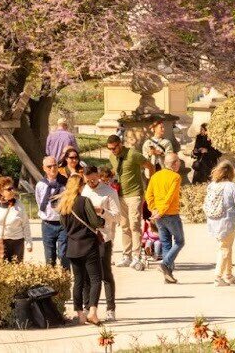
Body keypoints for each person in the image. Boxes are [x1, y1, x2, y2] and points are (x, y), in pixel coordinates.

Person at [57, 175, 105, 325]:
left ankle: (80, 314)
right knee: (96, 279)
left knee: (78, 281)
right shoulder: (84, 201)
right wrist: (102, 217)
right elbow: (95, 222)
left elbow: (64, 226)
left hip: (72, 246)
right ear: (79, 186)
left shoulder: (63, 204)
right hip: (88, 245)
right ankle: (92, 312)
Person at [82, 165, 121, 321]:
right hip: (86, 237)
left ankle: (111, 308)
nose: (91, 183)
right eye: (88, 180)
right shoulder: (83, 190)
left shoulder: (109, 192)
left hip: (103, 237)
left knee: (105, 273)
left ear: (98, 176)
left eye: (93, 179)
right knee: (87, 274)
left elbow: (117, 216)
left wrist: (102, 212)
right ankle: (88, 307)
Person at [104, 134, 148, 270]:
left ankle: (136, 256)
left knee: (134, 225)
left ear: (120, 144)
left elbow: (149, 165)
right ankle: (126, 256)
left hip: (135, 194)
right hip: (120, 195)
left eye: (114, 148)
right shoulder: (112, 157)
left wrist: (149, 184)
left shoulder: (133, 154)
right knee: (124, 225)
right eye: (109, 149)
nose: (112, 151)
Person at [143, 151, 185, 282]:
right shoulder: (175, 177)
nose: (179, 164)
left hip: (159, 216)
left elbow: (148, 195)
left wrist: (153, 209)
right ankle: (165, 264)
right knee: (180, 241)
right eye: (178, 161)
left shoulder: (155, 176)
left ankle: (168, 275)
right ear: (174, 163)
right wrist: (160, 211)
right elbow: (170, 197)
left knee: (166, 244)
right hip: (170, 214)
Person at [202, 161, 235, 285]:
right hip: (228, 222)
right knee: (224, 248)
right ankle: (218, 277)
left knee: (226, 247)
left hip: (214, 221)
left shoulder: (212, 185)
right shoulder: (232, 186)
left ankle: (228, 275)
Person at [0, 176, 30, 263]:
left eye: (13, 188)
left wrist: (29, 242)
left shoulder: (19, 205)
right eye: (9, 189)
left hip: (16, 243)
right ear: (0, 191)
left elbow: (26, 224)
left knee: (15, 271)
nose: (12, 191)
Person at [35, 155, 68, 268]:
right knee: (49, 258)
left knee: (63, 255)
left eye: (55, 165)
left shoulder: (65, 183)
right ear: (44, 168)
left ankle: (65, 279)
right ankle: (52, 283)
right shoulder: (41, 185)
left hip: (63, 223)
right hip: (47, 224)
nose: (53, 168)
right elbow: (39, 202)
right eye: (49, 166)